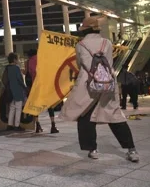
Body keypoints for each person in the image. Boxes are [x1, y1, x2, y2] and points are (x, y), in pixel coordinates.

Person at [59, 16, 139, 162]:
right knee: (115, 116)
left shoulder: (81, 45)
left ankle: (92, 150)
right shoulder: (107, 43)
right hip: (108, 83)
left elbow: (80, 64)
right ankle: (131, 150)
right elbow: (109, 61)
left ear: (85, 30)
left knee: (85, 115)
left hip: (88, 84)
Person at [26, 49, 59, 134]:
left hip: (36, 86)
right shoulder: (41, 58)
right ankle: (53, 125)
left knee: (35, 105)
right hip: (45, 84)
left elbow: (30, 72)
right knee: (49, 105)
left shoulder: (29, 62)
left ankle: (38, 125)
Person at [3, 53, 27, 131]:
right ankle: (17, 125)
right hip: (17, 91)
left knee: (12, 108)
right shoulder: (16, 68)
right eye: (17, 59)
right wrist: (25, 87)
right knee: (18, 108)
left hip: (10, 91)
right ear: (14, 60)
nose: (18, 60)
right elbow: (20, 80)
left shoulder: (7, 68)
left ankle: (9, 125)